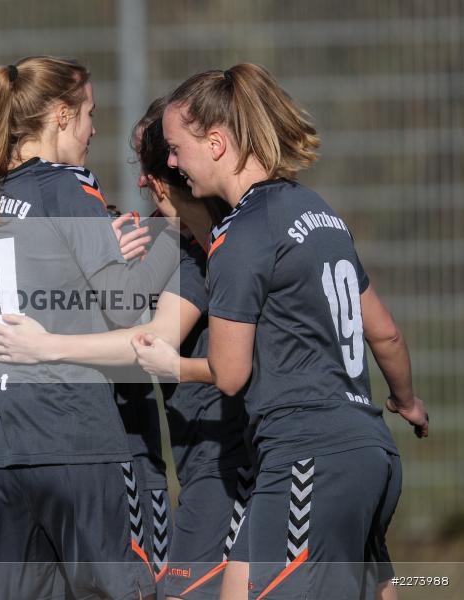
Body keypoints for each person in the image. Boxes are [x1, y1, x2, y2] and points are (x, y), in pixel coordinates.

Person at [160, 63, 428, 600]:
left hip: (309, 461)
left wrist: (171, 366)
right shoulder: (319, 211)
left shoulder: (238, 236)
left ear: (215, 143)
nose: (170, 163)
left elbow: (231, 375)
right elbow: (388, 335)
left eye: (173, 147)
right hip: (368, 451)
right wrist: (408, 400)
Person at [0, 98, 254, 600]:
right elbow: (22, 291)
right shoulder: (148, 233)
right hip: (190, 459)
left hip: (230, 457)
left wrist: (47, 348)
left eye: (154, 164)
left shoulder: (206, 246)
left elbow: (155, 341)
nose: (146, 179)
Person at [0, 55, 179, 600]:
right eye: (88, 113)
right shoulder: (66, 186)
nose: (93, 129)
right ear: (61, 117)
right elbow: (128, 308)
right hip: (74, 440)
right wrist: (175, 229)